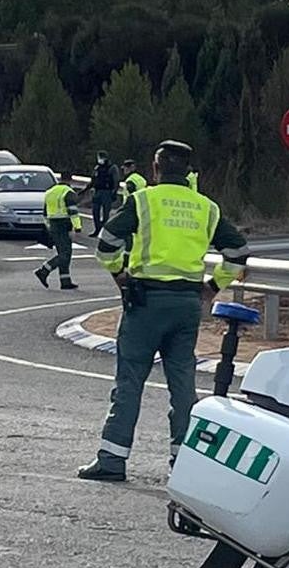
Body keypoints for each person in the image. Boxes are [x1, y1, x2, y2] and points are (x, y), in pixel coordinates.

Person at [78, 141, 249, 482]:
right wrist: (212, 287)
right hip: (186, 305)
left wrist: (119, 275)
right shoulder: (206, 207)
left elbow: (108, 240)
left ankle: (113, 459)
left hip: (145, 302)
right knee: (182, 383)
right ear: (188, 172)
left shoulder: (144, 200)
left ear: (155, 169)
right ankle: (184, 461)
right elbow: (238, 252)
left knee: (129, 381)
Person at [33, 171, 82, 290]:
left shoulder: (50, 192)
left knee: (64, 253)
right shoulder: (68, 193)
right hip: (64, 224)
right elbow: (73, 212)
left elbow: (45, 213)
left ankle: (65, 281)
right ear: (70, 180)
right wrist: (77, 227)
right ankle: (44, 270)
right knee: (65, 254)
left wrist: (49, 226)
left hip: (54, 225)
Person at [79, 150, 119, 237]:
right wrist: (84, 191)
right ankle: (97, 229)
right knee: (95, 212)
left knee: (105, 214)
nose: (99, 159)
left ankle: (103, 228)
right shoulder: (97, 168)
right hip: (97, 192)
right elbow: (92, 181)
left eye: (101, 157)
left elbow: (116, 181)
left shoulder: (112, 168)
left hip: (107, 192)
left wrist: (114, 192)